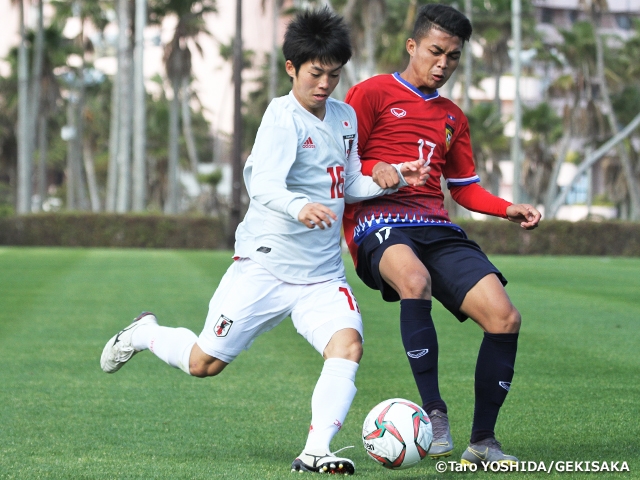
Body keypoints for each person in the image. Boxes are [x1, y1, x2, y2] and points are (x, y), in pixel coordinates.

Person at [100, 7, 428, 476]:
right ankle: (145, 332)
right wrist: (301, 206)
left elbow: (349, 181)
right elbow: (264, 183)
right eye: (316, 74)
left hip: (320, 274)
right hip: (266, 266)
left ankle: (316, 450)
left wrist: (393, 177)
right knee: (203, 364)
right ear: (291, 67)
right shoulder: (281, 117)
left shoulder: (345, 117)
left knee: (347, 345)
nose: (325, 85)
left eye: (334, 75)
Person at [342, 3, 541, 466]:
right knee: (414, 281)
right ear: (412, 46)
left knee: (504, 318)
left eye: (453, 57)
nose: (443, 64)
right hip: (379, 220)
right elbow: (346, 163)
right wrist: (384, 169)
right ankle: (433, 413)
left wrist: (507, 208)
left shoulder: (453, 116)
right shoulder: (370, 94)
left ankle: (484, 442)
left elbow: (465, 188)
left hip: (436, 224)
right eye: (435, 52)